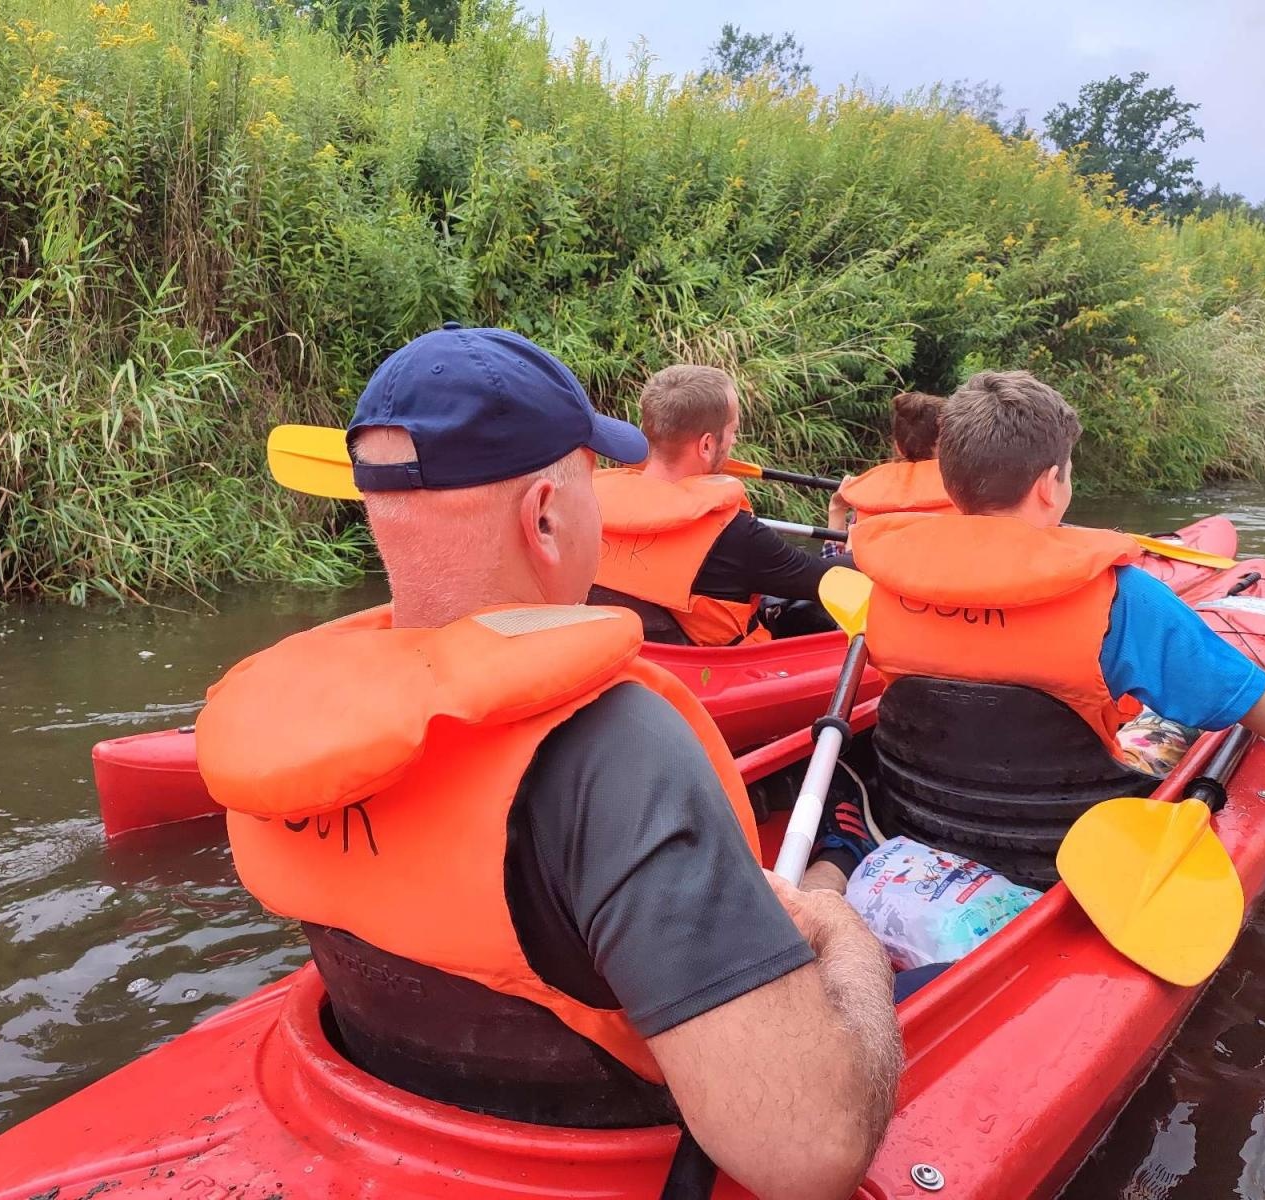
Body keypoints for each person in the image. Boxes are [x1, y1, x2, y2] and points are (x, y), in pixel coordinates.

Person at [196, 325, 902, 1200]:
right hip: (601, 1159)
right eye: (590, 484)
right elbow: (809, 1157)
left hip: (376, 1120)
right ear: (544, 515)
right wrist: (843, 933)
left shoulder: (296, 720)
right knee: (846, 913)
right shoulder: (620, 751)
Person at [848, 370, 1265, 776]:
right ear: (1048, 485)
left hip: (935, 803)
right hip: (1067, 827)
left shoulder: (888, 585)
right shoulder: (1122, 597)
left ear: (950, 484)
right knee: (1170, 720)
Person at [589, 364, 851, 646]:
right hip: (718, 672)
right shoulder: (736, 536)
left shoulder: (589, 502)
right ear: (706, 446)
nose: (735, 440)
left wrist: (835, 518)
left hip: (630, 651)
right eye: (733, 430)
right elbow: (828, 579)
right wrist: (861, 538)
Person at [827, 391, 956, 538]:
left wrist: (836, 508)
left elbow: (834, 560)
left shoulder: (871, 489)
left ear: (898, 448)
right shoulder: (968, 493)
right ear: (951, 445)